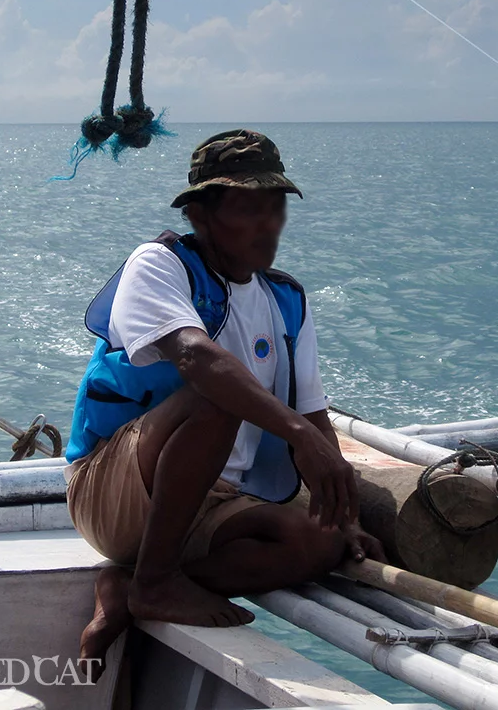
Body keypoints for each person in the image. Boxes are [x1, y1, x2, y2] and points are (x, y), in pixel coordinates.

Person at [64, 129, 384, 673]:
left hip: (213, 500)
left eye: (276, 207)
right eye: (247, 207)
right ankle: (157, 579)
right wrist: (299, 437)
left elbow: (311, 412)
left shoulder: (286, 299)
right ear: (200, 215)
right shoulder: (161, 265)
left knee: (316, 546)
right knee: (216, 398)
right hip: (115, 489)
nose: (268, 225)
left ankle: (131, 584)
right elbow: (196, 358)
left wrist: (344, 516)